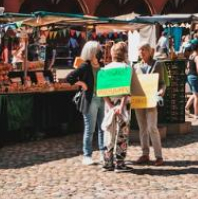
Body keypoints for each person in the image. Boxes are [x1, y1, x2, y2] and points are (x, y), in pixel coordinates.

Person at [66, 41, 105, 165]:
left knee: (103, 128)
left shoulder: (102, 65)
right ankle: (87, 155)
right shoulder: (85, 66)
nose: (99, 52)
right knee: (90, 129)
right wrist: (82, 84)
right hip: (90, 100)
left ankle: (104, 154)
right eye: (97, 50)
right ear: (91, 52)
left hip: (103, 99)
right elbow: (69, 77)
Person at [100, 42, 132, 171]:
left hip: (110, 105)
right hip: (122, 106)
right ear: (124, 54)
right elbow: (126, 90)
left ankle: (107, 162)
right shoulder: (126, 68)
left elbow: (102, 91)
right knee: (122, 134)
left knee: (109, 132)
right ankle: (120, 163)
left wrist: (111, 105)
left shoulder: (105, 69)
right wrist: (121, 106)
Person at [133, 44, 164, 165]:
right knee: (142, 128)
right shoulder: (135, 66)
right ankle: (145, 154)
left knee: (152, 127)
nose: (142, 52)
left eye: (144, 49)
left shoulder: (157, 64)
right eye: (140, 49)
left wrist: (162, 91)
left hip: (151, 100)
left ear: (150, 51)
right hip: (139, 99)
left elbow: (162, 83)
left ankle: (159, 156)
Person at [185, 43, 198, 119]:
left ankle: (186, 108)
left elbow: (188, 66)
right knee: (197, 96)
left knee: (194, 94)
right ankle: (196, 114)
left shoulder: (191, 56)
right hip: (195, 77)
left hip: (189, 76)